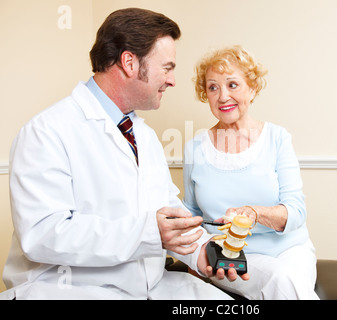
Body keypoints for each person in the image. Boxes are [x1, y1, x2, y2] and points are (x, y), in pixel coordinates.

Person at [1, 8, 245, 300]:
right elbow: (42, 235)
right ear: (130, 62)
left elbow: (170, 215)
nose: (172, 80)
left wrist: (205, 253)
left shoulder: (146, 137)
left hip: (149, 286)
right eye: (167, 67)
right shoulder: (46, 132)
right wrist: (150, 233)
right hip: (69, 289)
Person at [183, 45, 319, 299]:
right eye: (213, 87)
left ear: (252, 89)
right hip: (232, 257)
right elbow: (191, 215)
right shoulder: (194, 149)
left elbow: (296, 211)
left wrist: (254, 213)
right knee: (280, 280)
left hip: (290, 250)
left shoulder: (277, 138)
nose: (223, 96)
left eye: (232, 85)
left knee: (289, 282)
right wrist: (195, 265)